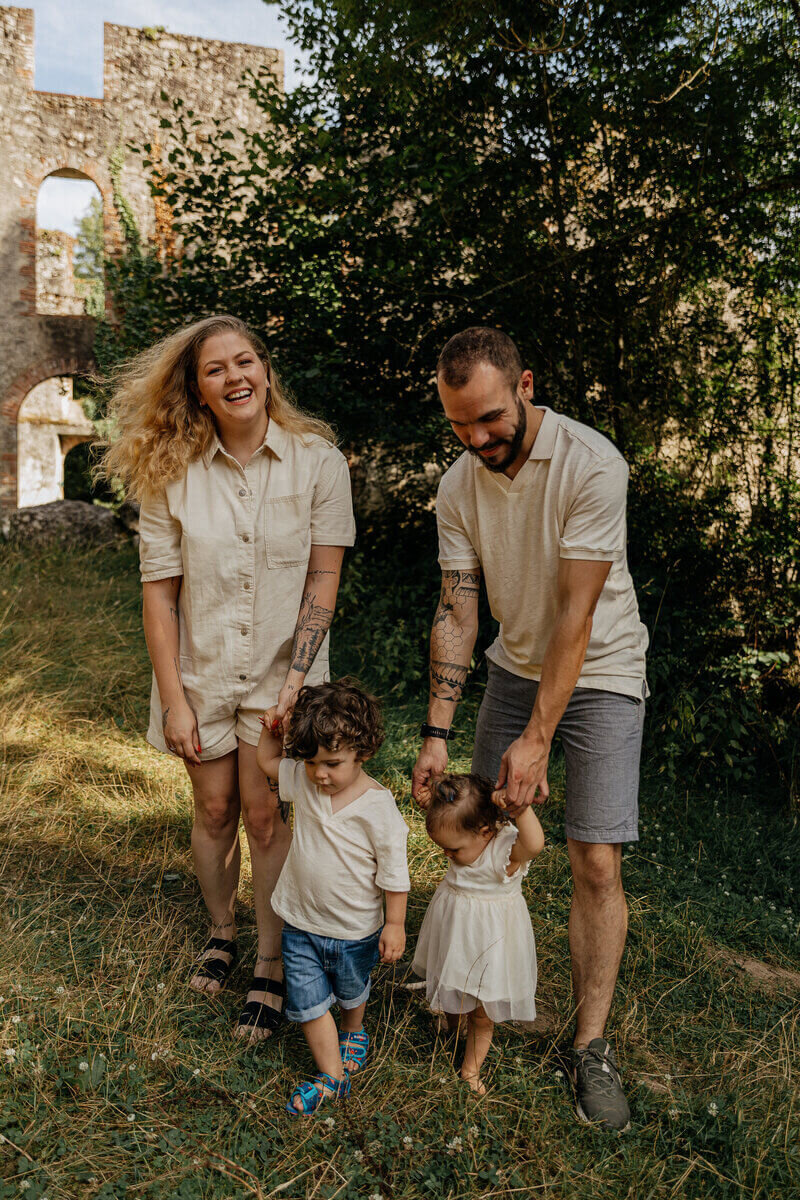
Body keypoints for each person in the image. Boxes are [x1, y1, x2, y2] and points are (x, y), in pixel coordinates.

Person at [412, 327, 649, 1132]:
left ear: (525, 386)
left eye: (487, 418)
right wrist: (437, 731)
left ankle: (590, 1045)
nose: (477, 439)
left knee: (593, 857)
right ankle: (471, 992)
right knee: (478, 836)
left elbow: (578, 615)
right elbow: (458, 607)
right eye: (458, 426)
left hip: (604, 667)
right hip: (514, 668)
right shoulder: (456, 488)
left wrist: (540, 736)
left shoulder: (592, 464)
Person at [100, 314, 355, 1042]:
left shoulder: (317, 461)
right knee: (213, 811)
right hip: (201, 672)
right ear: (197, 389)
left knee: (267, 814)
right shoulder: (170, 472)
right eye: (216, 369)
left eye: (246, 362)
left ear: (266, 371)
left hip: (285, 675)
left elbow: (324, 576)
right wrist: (175, 700)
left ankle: (270, 962)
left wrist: (296, 680)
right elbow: (159, 595)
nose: (235, 377)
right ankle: (221, 930)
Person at [256, 679, 410, 1115]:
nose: (320, 773)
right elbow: (268, 761)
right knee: (306, 1001)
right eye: (310, 762)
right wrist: (272, 729)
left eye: (332, 763)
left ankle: (354, 1030)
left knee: (351, 990)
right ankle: (332, 1077)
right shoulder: (304, 783)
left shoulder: (378, 808)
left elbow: (395, 876)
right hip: (300, 923)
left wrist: (394, 923)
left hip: (355, 930)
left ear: (363, 751)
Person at [412, 773, 544, 1094]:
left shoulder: (504, 853)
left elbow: (535, 844)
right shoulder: (462, 834)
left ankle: (470, 1071)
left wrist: (522, 809)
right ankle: (454, 1032)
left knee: (483, 1014)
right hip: (456, 937)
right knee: (454, 994)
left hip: (490, 945)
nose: (447, 856)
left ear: (485, 832)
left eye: (452, 850)